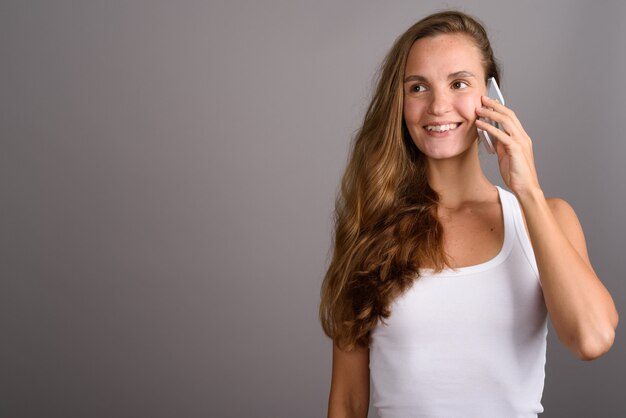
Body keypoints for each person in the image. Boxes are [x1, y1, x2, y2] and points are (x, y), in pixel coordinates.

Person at [319, 10, 619, 418]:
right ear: (400, 102)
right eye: (418, 87)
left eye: (458, 83)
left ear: (492, 96)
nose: (438, 106)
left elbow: (592, 338)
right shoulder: (370, 228)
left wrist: (526, 188)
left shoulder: (546, 218)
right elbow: (347, 402)